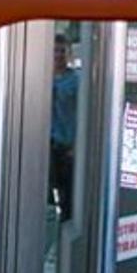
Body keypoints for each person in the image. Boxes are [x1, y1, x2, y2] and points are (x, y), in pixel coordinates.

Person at [49, 34, 79, 220]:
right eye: (55, 50)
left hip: (65, 147)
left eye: (62, 50)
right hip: (44, 147)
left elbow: (83, 114)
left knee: (66, 196)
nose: (58, 55)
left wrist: (77, 145)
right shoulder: (40, 77)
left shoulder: (76, 81)